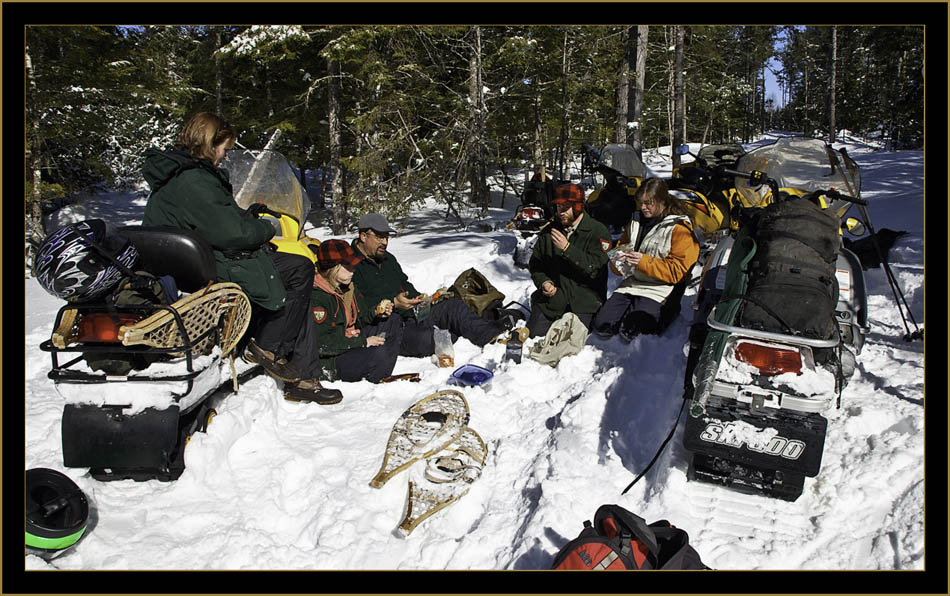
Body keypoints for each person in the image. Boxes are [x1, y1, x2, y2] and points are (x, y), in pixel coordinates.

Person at [142, 112, 342, 404]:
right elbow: (231, 233)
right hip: (207, 267)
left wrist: (245, 217)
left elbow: (215, 220)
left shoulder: (182, 175)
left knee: (291, 272)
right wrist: (264, 227)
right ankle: (267, 347)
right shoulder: (193, 180)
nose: (225, 156)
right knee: (298, 268)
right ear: (210, 143)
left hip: (196, 261)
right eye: (224, 148)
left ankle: (302, 373)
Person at [350, 213, 510, 358]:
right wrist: (393, 302)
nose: (384, 242)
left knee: (453, 306)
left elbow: (404, 283)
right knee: (427, 339)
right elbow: (360, 308)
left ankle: (495, 339)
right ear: (363, 236)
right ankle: (456, 331)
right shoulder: (349, 265)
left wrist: (419, 298)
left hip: (412, 312)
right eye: (379, 237)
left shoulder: (387, 258)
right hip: (388, 325)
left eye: (386, 237)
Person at [590, 177, 700, 340]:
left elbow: (677, 272)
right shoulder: (635, 220)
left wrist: (643, 261)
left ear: (662, 201)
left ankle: (668, 312)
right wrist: (618, 260)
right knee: (602, 326)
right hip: (633, 283)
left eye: (648, 203)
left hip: (662, 288)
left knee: (635, 331)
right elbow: (622, 252)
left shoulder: (679, 227)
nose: (643, 207)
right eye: (640, 202)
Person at [309, 239, 406, 384]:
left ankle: (378, 368)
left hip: (349, 341)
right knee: (378, 354)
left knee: (393, 321)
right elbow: (322, 344)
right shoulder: (318, 297)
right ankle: (375, 371)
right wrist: (362, 342)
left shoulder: (347, 288)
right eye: (348, 266)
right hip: (331, 360)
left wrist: (376, 313)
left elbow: (360, 318)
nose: (353, 269)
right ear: (333, 267)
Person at [526, 182, 611, 337]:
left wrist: (567, 249)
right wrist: (544, 282)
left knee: (570, 342)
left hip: (584, 302)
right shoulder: (549, 232)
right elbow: (536, 264)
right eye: (558, 207)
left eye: (565, 207)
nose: (561, 212)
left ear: (578, 207)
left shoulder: (597, 231)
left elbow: (596, 267)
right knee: (533, 335)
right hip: (554, 300)